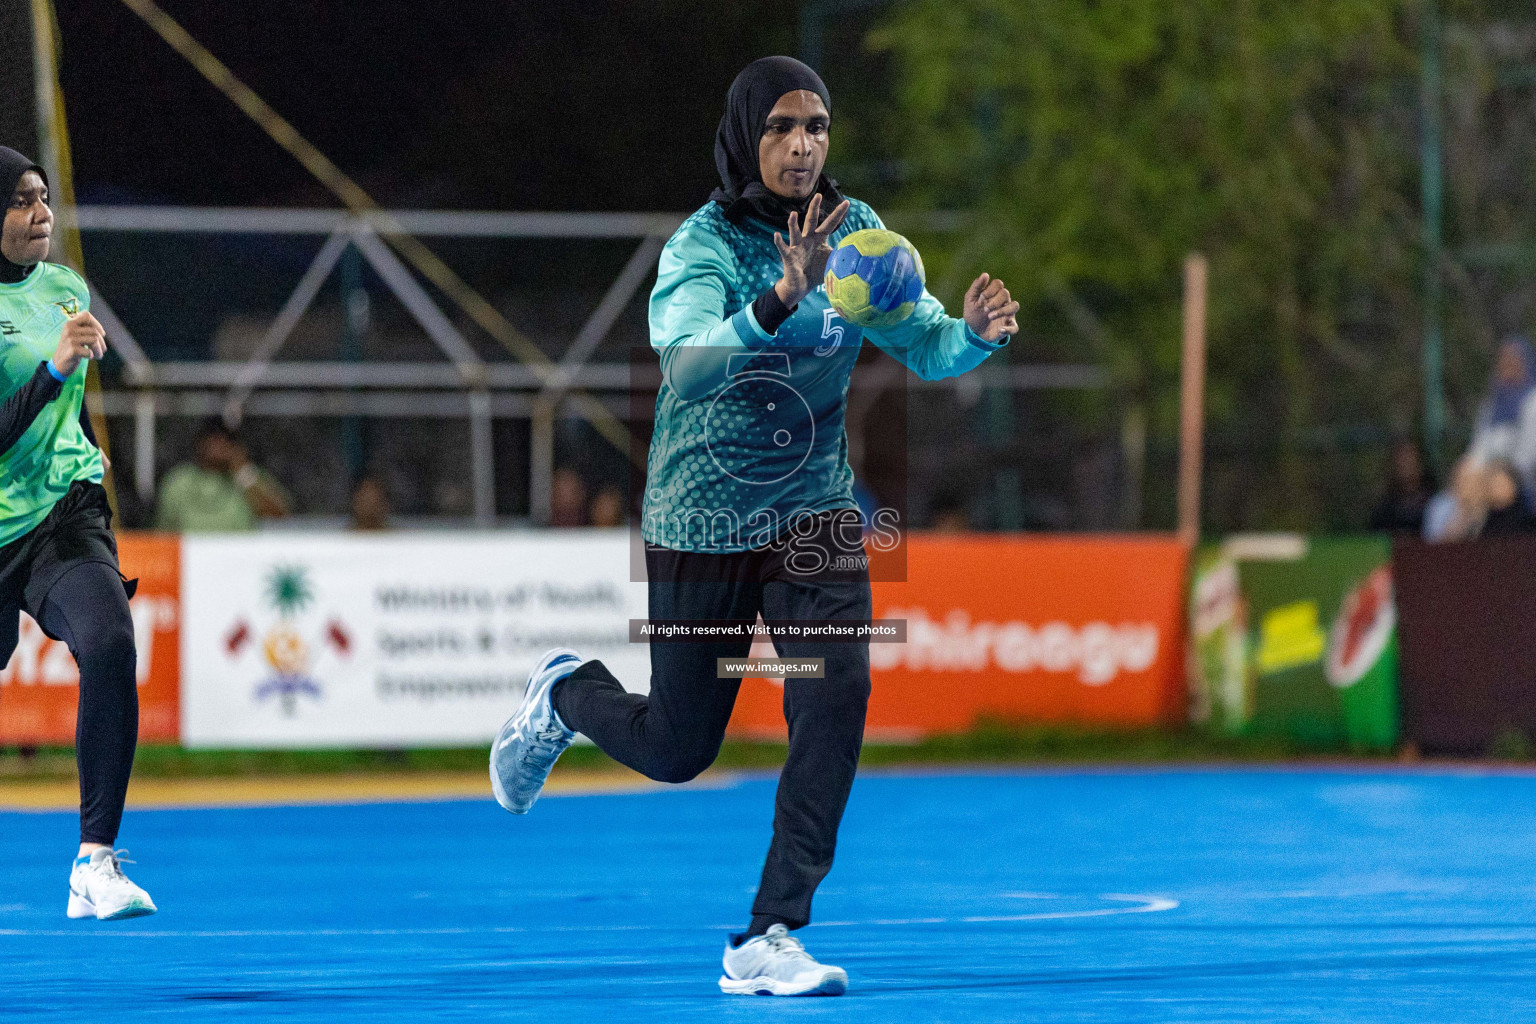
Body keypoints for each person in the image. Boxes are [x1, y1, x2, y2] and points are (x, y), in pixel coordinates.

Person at [490, 57, 1018, 997]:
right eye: (781, 127)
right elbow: (689, 368)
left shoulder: (859, 240)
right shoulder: (702, 248)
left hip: (813, 509)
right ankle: (568, 696)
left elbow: (926, 343)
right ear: (745, 136)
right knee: (679, 748)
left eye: (817, 126)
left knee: (836, 693)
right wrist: (778, 295)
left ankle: (770, 932)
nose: (803, 144)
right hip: (702, 515)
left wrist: (970, 331)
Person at [0, 147, 155, 919]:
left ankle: (94, 862)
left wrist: (94, 478)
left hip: (65, 514)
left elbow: (73, 411)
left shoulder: (65, 288)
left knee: (112, 640)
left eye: (45, 197)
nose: (41, 213)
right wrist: (54, 371)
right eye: (22, 200)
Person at [154, 419, 290, 531]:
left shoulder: (248, 476)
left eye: (226, 441)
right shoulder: (180, 480)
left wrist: (242, 472)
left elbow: (279, 514)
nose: (219, 448)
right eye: (213, 440)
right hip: (192, 557)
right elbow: (165, 529)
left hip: (239, 556)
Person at [1369, 439, 1436, 534]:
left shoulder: (1435, 504)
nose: (1407, 466)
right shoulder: (1383, 510)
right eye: (1402, 461)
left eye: (1411, 460)